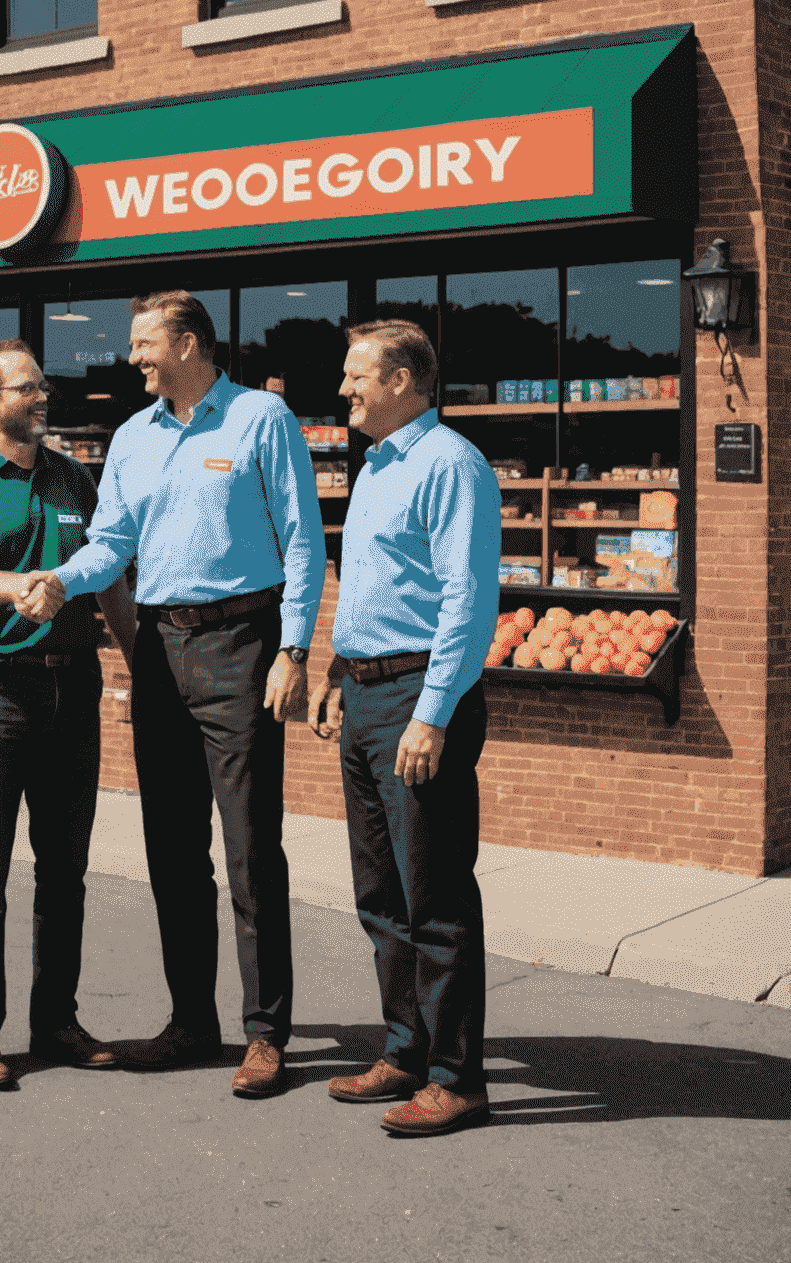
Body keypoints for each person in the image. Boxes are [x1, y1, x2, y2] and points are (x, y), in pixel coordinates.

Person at [20, 290, 325, 1098]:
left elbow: (303, 538)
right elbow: (112, 542)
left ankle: (267, 1034)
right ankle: (193, 1022)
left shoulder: (261, 418)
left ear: (190, 344)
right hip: (157, 647)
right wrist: (59, 580)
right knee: (174, 852)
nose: (133, 358)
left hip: (243, 644)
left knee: (252, 850)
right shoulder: (131, 436)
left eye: (146, 343)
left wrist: (293, 650)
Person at [0, 339, 137, 1090]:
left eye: (44, 386)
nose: (43, 398)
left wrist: (140, 667)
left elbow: (108, 575)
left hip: (72, 687)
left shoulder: (75, 477)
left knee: (66, 872)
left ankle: (56, 1022)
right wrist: (26, 587)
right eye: (27, 389)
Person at [307, 319, 500, 1137]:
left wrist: (433, 712)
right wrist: (335, 672)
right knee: (381, 895)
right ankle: (405, 1049)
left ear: (403, 382)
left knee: (436, 898)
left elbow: (466, 597)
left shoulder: (449, 463)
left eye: (358, 376)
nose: (344, 389)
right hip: (366, 694)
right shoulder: (380, 464)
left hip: (419, 699)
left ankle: (458, 1078)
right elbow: (371, 586)